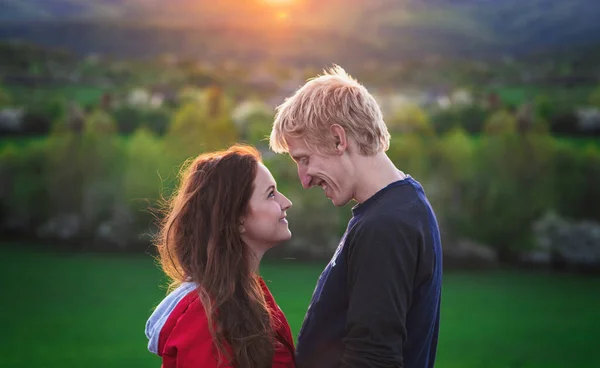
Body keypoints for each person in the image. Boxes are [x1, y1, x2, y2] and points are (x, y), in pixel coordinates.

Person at [269, 65, 443, 368]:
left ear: (338, 139)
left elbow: (373, 358)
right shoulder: (396, 208)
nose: (304, 179)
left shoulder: (387, 225)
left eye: (304, 159)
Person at [145, 144, 296, 368]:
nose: (286, 203)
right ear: (237, 218)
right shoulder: (205, 316)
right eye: (271, 194)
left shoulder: (246, 295)